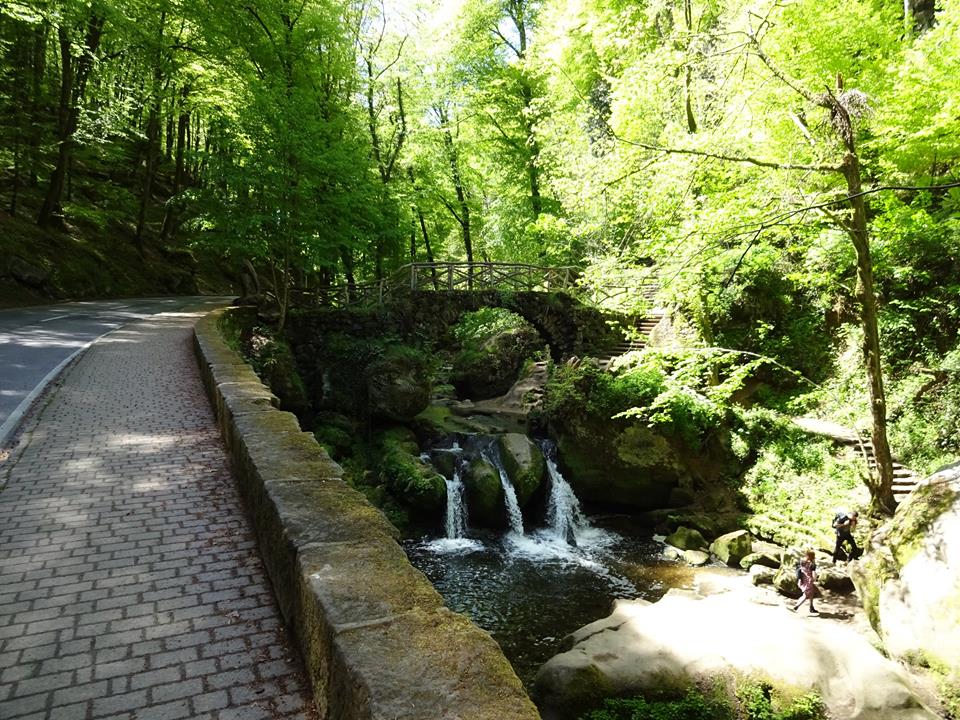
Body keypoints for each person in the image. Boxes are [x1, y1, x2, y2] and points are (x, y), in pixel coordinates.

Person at [793, 549, 820, 614]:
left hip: (802, 580)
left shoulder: (801, 561)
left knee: (812, 593)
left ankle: (811, 607)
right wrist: (814, 578)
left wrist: (799, 579)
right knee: (806, 595)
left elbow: (798, 569)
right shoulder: (812, 564)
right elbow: (813, 573)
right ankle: (796, 606)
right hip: (808, 582)